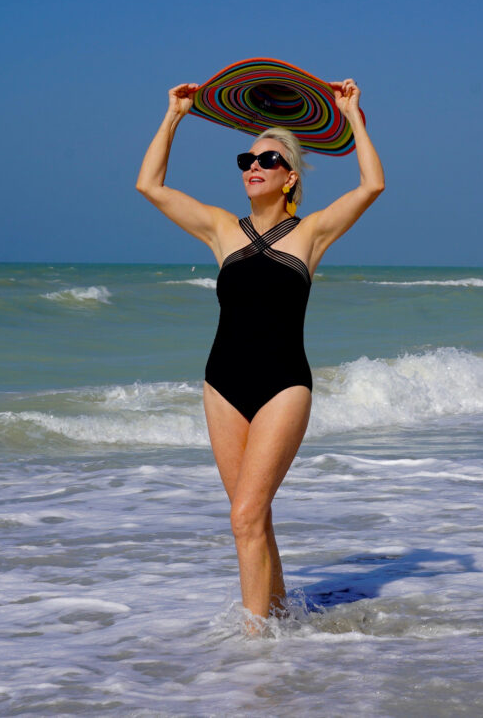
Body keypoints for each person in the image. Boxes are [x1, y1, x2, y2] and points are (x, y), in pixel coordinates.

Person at [135, 78, 384, 626]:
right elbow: (149, 185)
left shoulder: (311, 234)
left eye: (267, 159)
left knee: (245, 516)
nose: (253, 166)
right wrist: (174, 115)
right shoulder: (223, 229)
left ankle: (255, 650)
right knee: (253, 519)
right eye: (247, 157)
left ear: (289, 176)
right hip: (222, 382)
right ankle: (278, 627)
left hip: (283, 383)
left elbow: (371, 185)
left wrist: (352, 117)